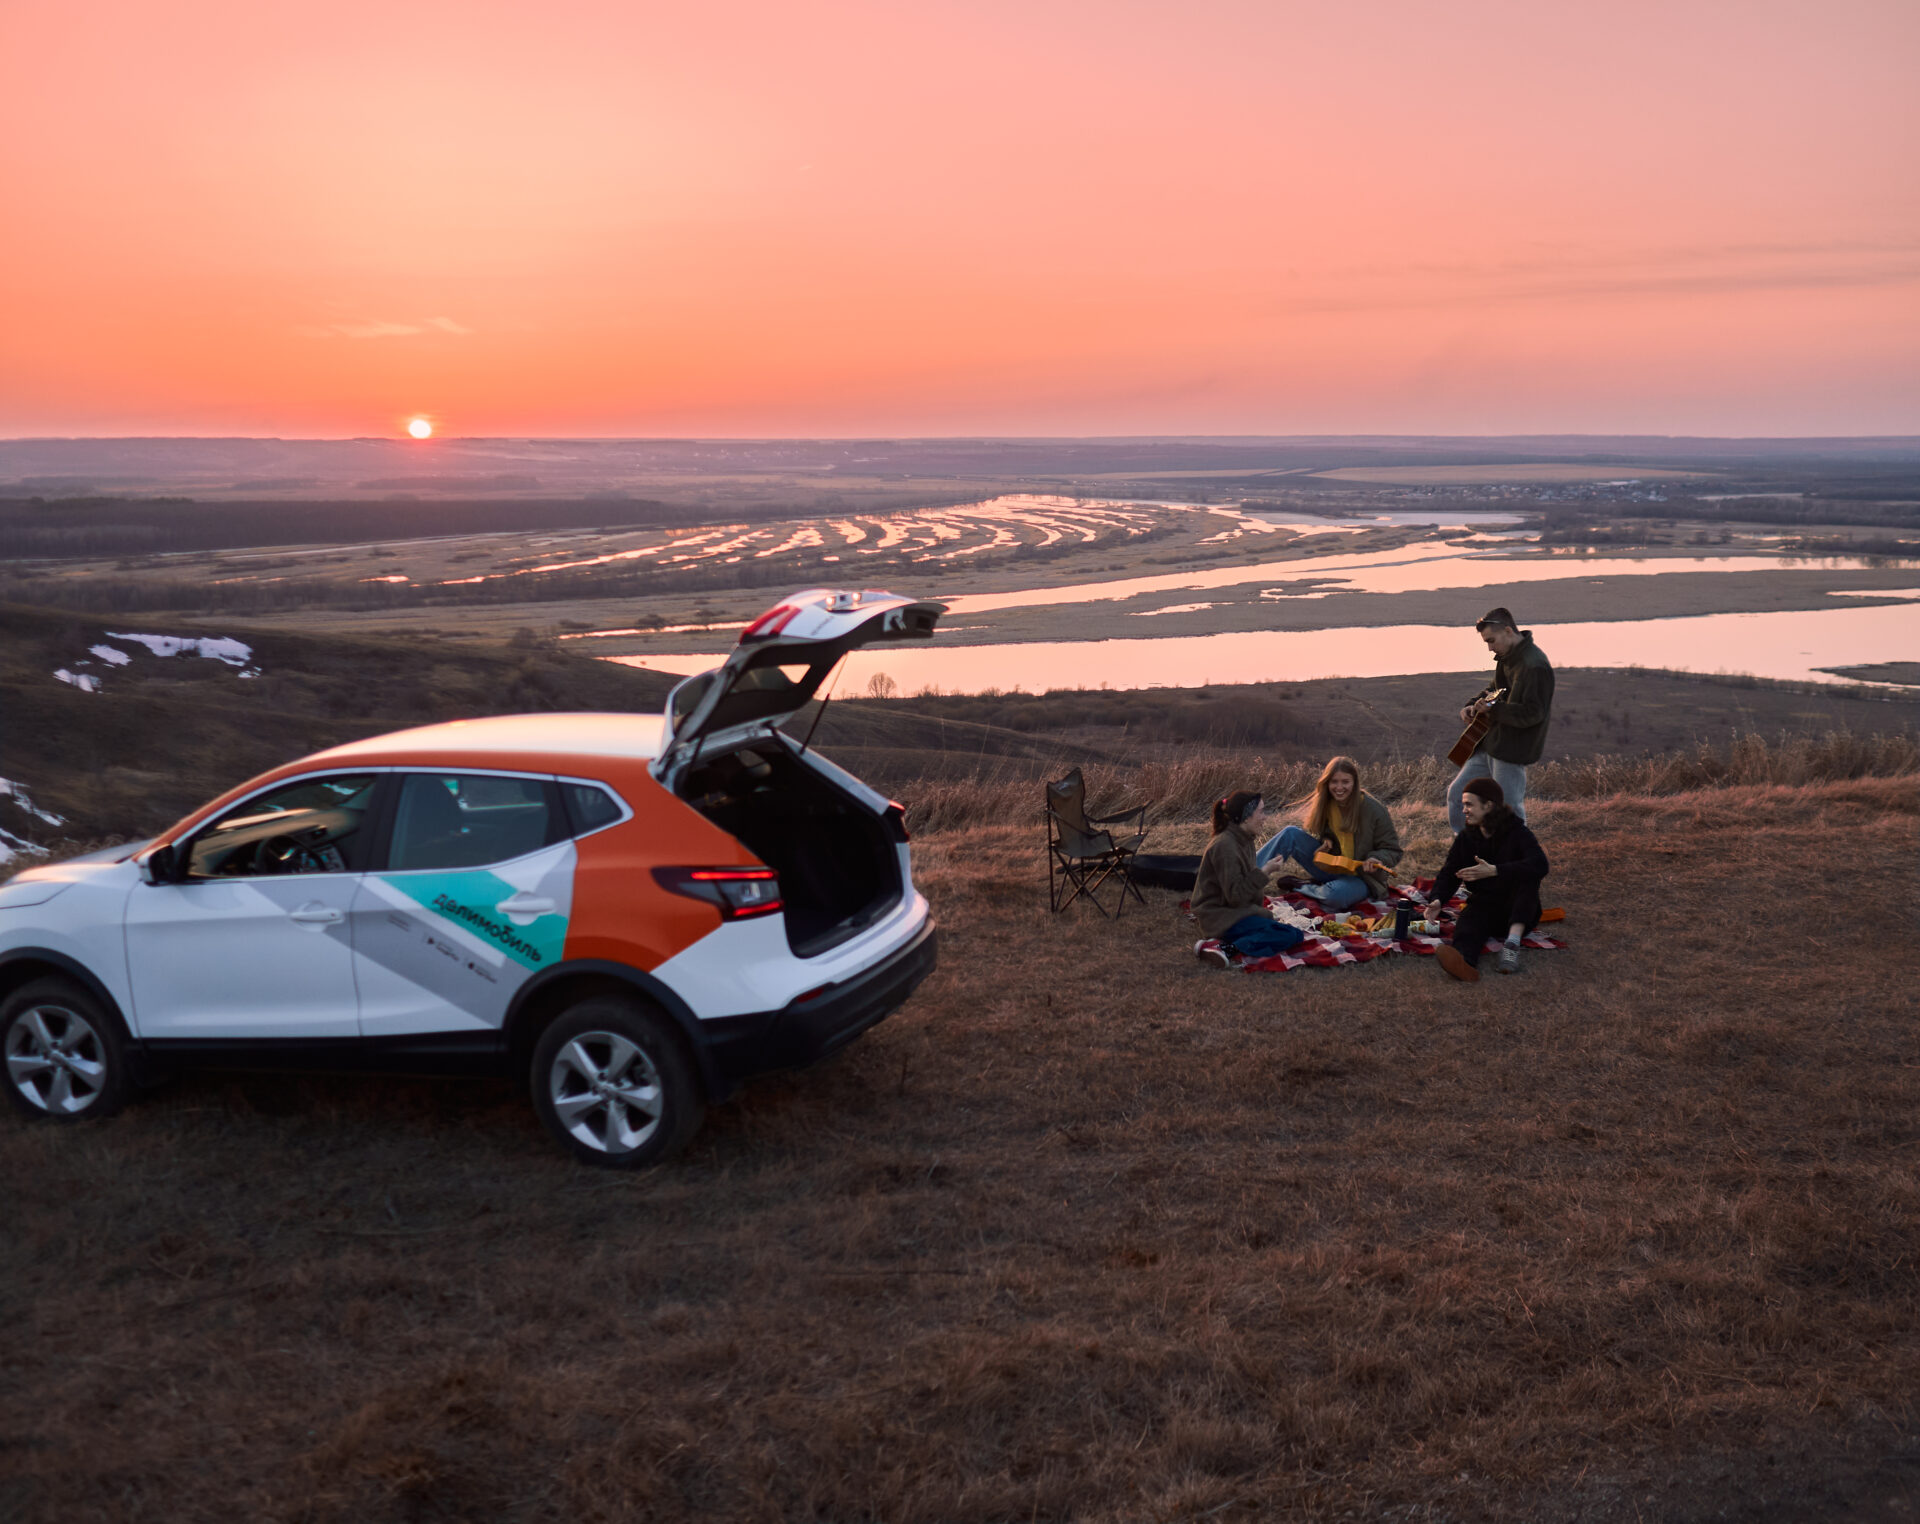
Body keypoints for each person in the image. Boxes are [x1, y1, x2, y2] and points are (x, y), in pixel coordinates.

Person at [1446, 607, 1554, 834]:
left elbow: (1533, 713)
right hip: (1490, 743)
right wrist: (1472, 704)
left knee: (1509, 809)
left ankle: (1517, 858)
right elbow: (1495, 689)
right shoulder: (1507, 657)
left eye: (1492, 641)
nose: (1490, 648)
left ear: (1507, 631)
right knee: (1458, 796)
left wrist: (1493, 710)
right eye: (1487, 642)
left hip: (1511, 749)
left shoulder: (1535, 666)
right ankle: (1465, 847)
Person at [1429, 776, 1549, 981]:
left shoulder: (1517, 832)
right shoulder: (1467, 837)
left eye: (1469, 804)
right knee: (1467, 925)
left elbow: (1540, 864)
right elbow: (1450, 871)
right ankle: (1464, 964)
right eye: (1463, 804)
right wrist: (1438, 899)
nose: (1464, 810)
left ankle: (1511, 945)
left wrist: (1495, 870)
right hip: (1485, 905)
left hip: (1518, 910)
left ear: (1488, 805)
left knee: (1528, 877)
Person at [1255, 755, 1404, 910]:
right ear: (1327, 783)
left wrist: (1376, 858)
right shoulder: (1327, 803)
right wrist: (1327, 840)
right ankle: (1245, 879)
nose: (1339, 788)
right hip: (1332, 866)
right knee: (1290, 833)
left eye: (1345, 782)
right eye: (1334, 782)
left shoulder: (1375, 810)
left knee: (1334, 897)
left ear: (1354, 783)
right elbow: (1331, 834)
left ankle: (1301, 886)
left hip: (1361, 879)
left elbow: (1393, 850)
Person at [1192, 791, 1306, 968]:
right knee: (1290, 935)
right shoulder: (1225, 846)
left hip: (1236, 910)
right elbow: (1236, 896)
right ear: (1245, 817)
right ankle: (1224, 948)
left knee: (1289, 933)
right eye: (1261, 812)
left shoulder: (1245, 839)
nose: (1264, 817)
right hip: (1219, 916)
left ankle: (1230, 942)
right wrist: (1265, 871)